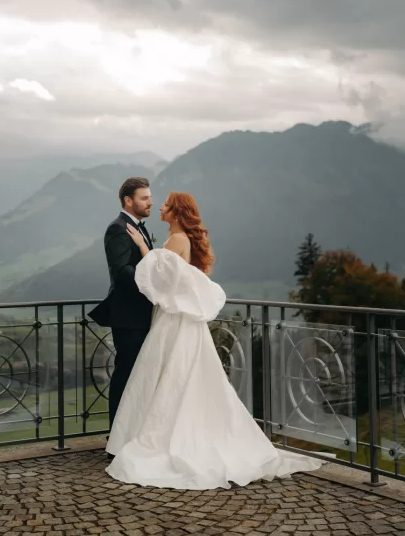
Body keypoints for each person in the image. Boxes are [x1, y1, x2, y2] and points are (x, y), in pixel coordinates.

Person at [105, 192, 323, 490]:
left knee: (175, 377)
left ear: (178, 212)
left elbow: (163, 277)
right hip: (176, 320)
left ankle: (175, 436)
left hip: (174, 322)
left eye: (166, 205)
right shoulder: (178, 239)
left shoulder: (179, 239)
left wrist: (144, 247)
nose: (160, 207)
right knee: (179, 377)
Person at [88, 177, 154, 430]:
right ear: (129, 200)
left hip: (142, 314)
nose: (150, 202)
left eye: (149, 197)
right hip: (129, 316)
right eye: (144, 197)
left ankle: (134, 431)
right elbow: (121, 270)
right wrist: (152, 285)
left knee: (138, 376)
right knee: (125, 375)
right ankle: (116, 436)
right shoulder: (118, 228)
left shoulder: (139, 227)